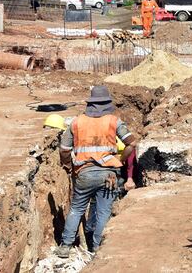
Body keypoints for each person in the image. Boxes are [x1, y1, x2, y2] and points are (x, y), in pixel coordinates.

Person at [55, 86, 137, 258]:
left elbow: (64, 149)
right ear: (107, 103)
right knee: (103, 213)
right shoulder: (114, 121)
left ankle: (65, 246)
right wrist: (120, 160)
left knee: (77, 209)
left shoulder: (76, 122)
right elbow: (131, 143)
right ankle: (98, 249)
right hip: (108, 175)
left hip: (84, 173)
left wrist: (68, 166)